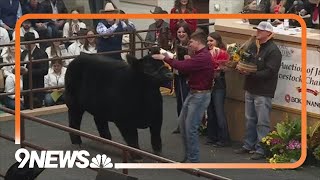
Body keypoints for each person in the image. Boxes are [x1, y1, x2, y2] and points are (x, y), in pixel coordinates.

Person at [152, 31, 214, 163]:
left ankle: (193, 160)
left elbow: (183, 66)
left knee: (190, 128)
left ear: (198, 42)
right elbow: (188, 66)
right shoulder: (200, 56)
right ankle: (189, 156)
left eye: (191, 42)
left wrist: (165, 58)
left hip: (199, 96)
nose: (189, 44)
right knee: (184, 124)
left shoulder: (202, 57)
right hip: (194, 93)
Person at [234, 21, 282, 160]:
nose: (258, 32)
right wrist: (243, 67)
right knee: (250, 119)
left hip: (263, 91)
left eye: (261, 30)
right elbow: (247, 60)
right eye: (257, 30)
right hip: (250, 88)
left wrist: (250, 73)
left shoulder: (273, 50)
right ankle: (248, 145)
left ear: (268, 33)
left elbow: (270, 72)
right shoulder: (254, 46)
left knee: (262, 122)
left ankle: (261, 149)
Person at [205, 32, 230, 147]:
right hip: (208, 85)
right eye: (208, 41)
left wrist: (220, 67)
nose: (209, 43)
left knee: (219, 112)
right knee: (210, 112)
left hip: (219, 85)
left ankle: (223, 138)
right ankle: (211, 136)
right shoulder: (206, 53)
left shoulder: (223, 53)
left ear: (217, 42)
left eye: (211, 41)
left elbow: (225, 68)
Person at [171, 22, 192, 134]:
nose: (181, 34)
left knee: (186, 101)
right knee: (179, 100)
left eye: (183, 32)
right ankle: (180, 124)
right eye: (179, 32)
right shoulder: (175, 43)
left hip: (187, 76)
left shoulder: (191, 45)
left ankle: (188, 125)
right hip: (177, 74)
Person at [22, 32, 49, 109]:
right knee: (26, 107)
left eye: (27, 43)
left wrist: (28, 71)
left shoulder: (42, 53)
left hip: (36, 85)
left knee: (36, 107)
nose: (25, 45)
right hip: (26, 85)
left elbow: (44, 70)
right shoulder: (24, 53)